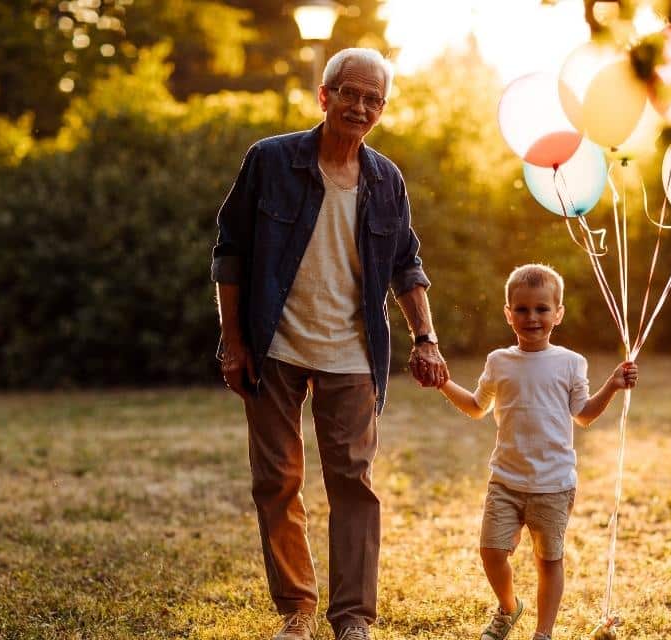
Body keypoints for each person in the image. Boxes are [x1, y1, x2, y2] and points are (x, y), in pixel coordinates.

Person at [210, 48, 448, 640]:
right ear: (325, 95)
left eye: (373, 99)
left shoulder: (386, 179)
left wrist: (426, 338)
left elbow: (406, 264)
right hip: (274, 347)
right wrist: (232, 341)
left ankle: (353, 619)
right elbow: (229, 252)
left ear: (382, 109)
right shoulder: (269, 161)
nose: (360, 107)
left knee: (354, 485)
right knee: (277, 480)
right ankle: (296, 610)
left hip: (352, 353)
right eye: (350, 94)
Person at [437, 264, 637, 640]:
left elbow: (584, 416)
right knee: (491, 552)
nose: (532, 317)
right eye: (523, 309)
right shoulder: (499, 361)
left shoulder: (571, 363)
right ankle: (510, 607)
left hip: (554, 484)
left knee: (549, 560)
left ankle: (543, 633)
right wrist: (443, 382)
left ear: (557, 314)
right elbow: (478, 406)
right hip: (506, 480)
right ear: (508, 313)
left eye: (542, 309)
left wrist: (611, 386)